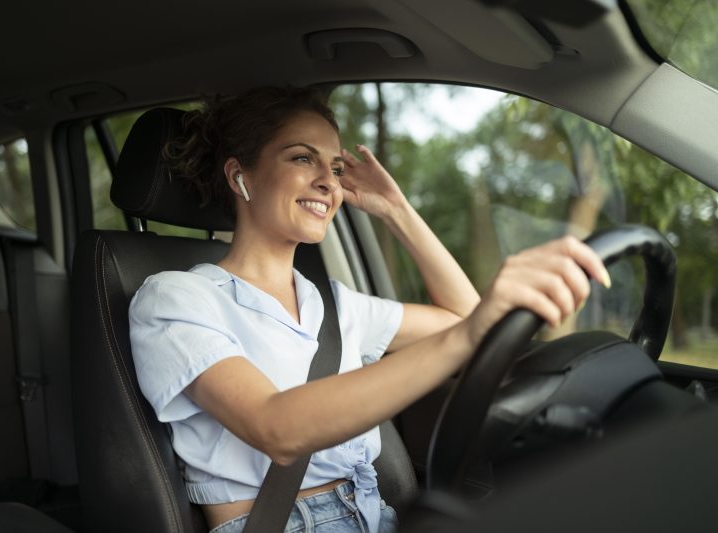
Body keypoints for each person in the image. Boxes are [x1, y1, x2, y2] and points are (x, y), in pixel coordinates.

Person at [128, 87, 610, 533]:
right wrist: (470, 331)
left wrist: (396, 210)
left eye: (335, 169)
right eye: (302, 158)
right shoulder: (176, 299)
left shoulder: (334, 304)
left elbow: (472, 323)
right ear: (240, 175)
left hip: (376, 513)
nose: (327, 183)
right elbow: (276, 427)